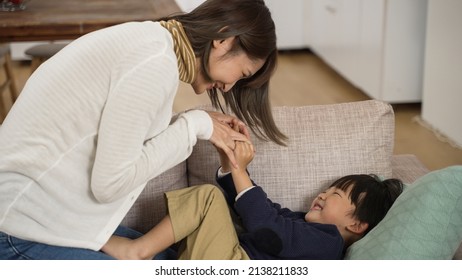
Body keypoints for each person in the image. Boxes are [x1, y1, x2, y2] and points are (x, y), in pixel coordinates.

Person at [0, 0, 287, 260]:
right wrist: (195, 126)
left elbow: (125, 140)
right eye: (243, 73)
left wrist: (195, 121)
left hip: (40, 218)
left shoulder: (152, 44)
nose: (228, 87)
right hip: (17, 230)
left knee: (168, 260)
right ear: (224, 39)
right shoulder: (153, 64)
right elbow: (109, 184)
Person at [101, 139, 404, 260]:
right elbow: (266, 210)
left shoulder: (327, 245)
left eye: (335, 194)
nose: (322, 194)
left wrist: (239, 169)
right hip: (224, 259)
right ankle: (117, 241)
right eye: (326, 190)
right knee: (227, 208)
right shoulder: (305, 223)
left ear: (358, 224)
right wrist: (230, 166)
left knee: (208, 199)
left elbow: (266, 226)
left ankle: (137, 252)